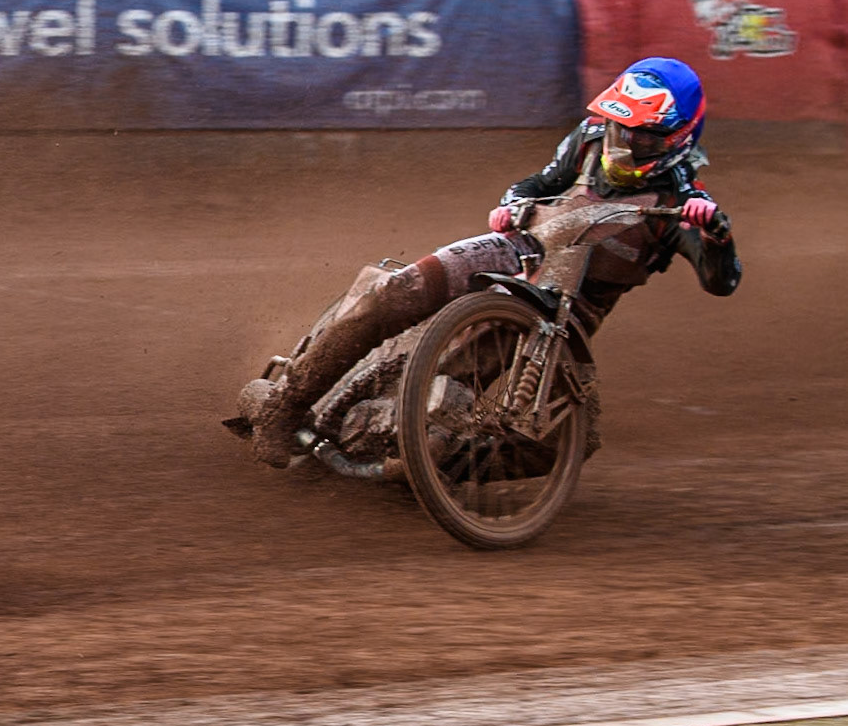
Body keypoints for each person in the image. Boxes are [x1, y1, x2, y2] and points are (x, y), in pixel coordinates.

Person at [238, 57, 741, 468]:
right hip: (518, 250)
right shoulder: (588, 139)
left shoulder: (685, 206)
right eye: (618, 126)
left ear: (679, 139)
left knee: (571, 441)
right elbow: (536, 184)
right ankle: (285, 408)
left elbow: (723, 283)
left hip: (563, 321)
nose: (624, 141)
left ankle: (442, 467)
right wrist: (512, 201)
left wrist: (717, 233)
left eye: (644, 136)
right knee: (398, 290)